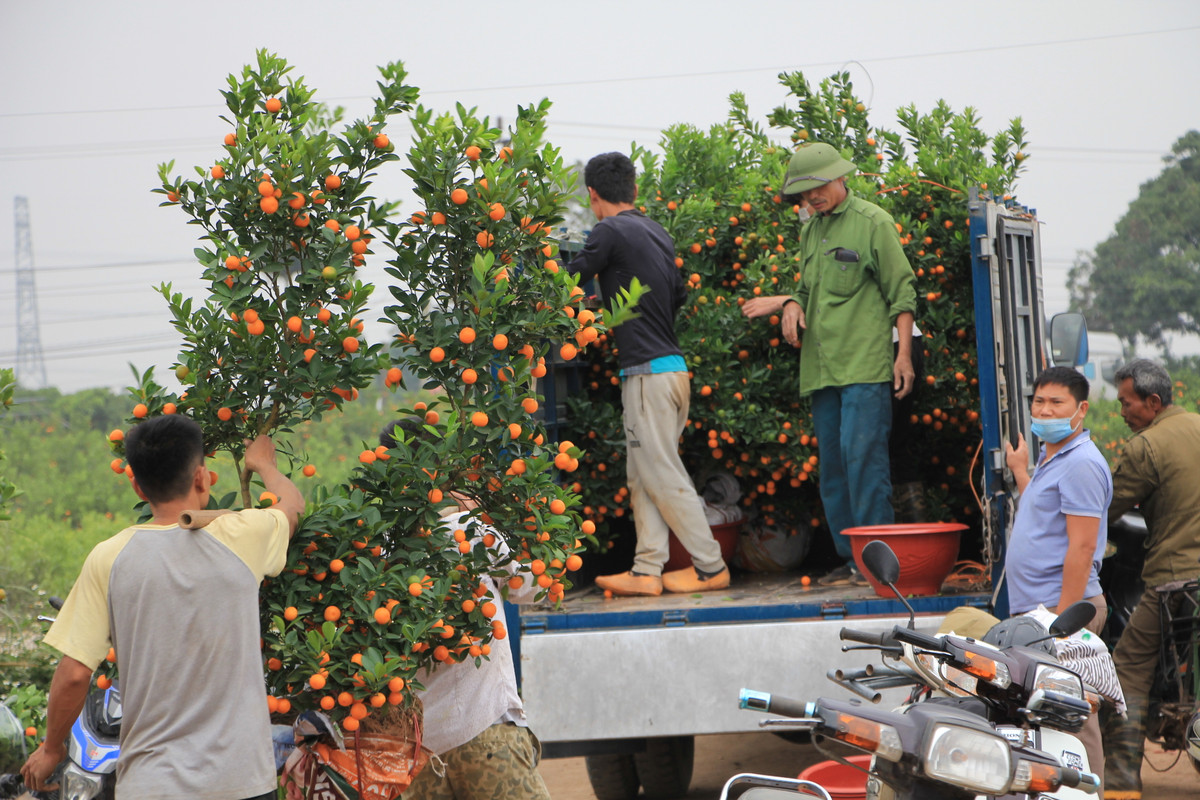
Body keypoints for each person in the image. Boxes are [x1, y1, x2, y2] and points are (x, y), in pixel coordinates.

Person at [21, 415, 303, 799]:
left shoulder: (109, 557)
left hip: (152, 784)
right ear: (202, 477)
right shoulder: (243, 534)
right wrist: (263, 464)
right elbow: (292, 506)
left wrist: (51, 748)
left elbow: (74, 674)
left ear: (137, 486)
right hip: (239, 779)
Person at [743, 142, 916, 586]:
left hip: (864, 367)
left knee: (864, 465)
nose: (812, 198)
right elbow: (808, 290)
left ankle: (876, 564)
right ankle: (850, 560)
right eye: (804, 193)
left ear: (841, 177)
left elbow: (903, 294)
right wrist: (789, 303)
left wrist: (903, 356)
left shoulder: (873, 222)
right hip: (820, 370)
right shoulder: (810, 230)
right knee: (833, 472)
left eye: (817, 188)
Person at [568, 152, 729, 597]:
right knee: (643, 475)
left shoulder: (608, 230)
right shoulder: (657, 232)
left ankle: (710, 566)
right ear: (635, 190)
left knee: (661, 473)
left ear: (593, 195)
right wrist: (608, 306)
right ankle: (646, 570)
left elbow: (568, 276)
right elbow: (672, 296)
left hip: (647, 376)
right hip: (672, 372)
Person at [380, 420, 551, 800]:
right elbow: (534, 587)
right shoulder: (468, 531)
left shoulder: (381, 551)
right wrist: (490, 517)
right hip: (485, 734)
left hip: (419, 756)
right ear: (439, 468)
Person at [1003, 366, 1111, 789]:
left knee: (1073, 717)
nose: (1045, 410)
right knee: (1048, 713)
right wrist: (1021, 471)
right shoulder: (1055, 457)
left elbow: (1082, 548)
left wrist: (1060, 624)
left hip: (1063, 611)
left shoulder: (1081, 464)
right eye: (1039, 402)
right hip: (1044, 612)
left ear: (1081, 409)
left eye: (1056, 403)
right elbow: (1044, 514)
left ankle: (1087, 793)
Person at [1101, 359, 1200, 799]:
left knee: (1127, 669)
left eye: (1127, 403)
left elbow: (1107, 508)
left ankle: (1122, 784)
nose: (1121, 411)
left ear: (1153, 401)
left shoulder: (1146, 446)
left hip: (1176, 578)